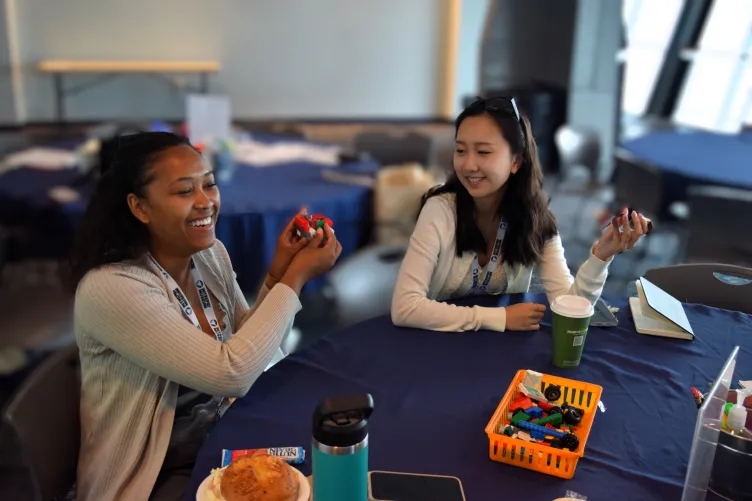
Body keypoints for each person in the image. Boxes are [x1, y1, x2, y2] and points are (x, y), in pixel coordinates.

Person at [69, 132, 341, 500]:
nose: (205, 202)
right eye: (184, 192)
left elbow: (250, 347)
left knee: (327, 459)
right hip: (153, 471)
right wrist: (296, 279)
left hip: (220, 433)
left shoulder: (209, 255)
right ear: (140, 207)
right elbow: (231, 373)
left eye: (209, 185)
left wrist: (279, 274)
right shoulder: (113, 288)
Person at [391, 96, 648, 332]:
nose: (468, 164)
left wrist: (601, 256)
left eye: (483, 152)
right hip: (435, 345)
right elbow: (405, 307)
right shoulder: (441, 209)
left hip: (496, 350)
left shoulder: (535, 217)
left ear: (516, 161)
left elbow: (569, 307)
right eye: (460, 150)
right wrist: (499, 318)